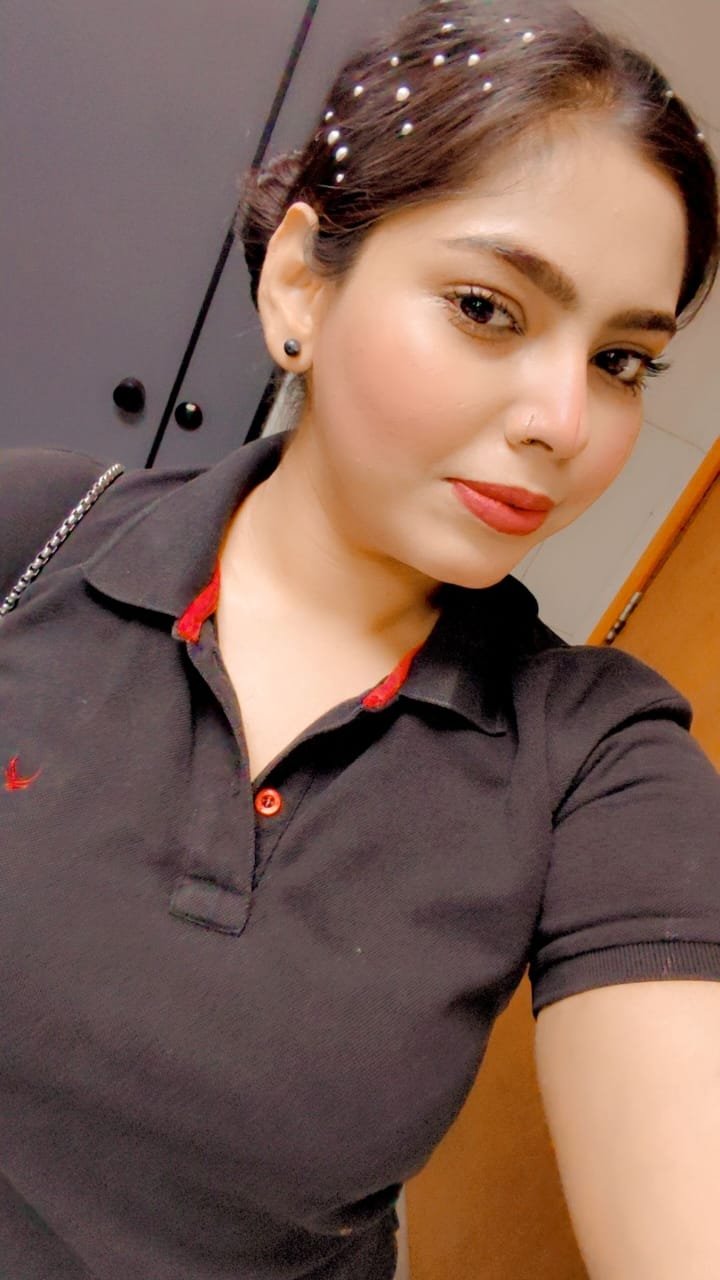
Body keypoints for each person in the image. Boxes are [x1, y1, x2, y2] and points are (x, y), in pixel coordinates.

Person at [1, 1, 719, 1277]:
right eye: (488, 307)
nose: (565, 420)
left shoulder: (597, 757)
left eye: (622, 359)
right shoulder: (29, 533)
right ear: (300, 283)